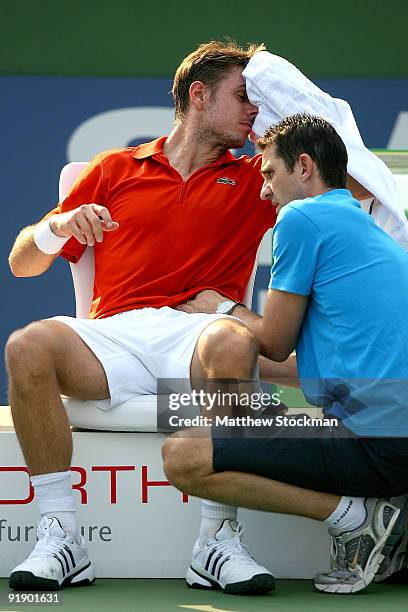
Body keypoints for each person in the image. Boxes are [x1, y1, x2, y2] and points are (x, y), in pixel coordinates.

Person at [6, 40, 296, 593]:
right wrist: (59, 227)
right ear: (199, 95)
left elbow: (344, 177)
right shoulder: (114, 167)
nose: (254, 111)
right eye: (243, 97)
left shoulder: (262, 175)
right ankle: (60, 536)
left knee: (234, 343)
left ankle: (216, 542)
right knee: (27, 345)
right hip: (113, 335)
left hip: (199, 333)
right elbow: (22, 263)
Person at [163, 113, 408, 594]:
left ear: (303, 166)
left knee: (182, 453)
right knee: (223, 410)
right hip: (386, 431)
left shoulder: (301, 217)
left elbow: (272, 341)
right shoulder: (361, 228)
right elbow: (310, 367)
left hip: (377, 444)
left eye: (269, 173)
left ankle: (356, 519)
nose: (263, 191)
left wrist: (222, 308)